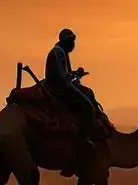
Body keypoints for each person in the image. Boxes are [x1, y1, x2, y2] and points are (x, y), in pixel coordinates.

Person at [43, 29, 110, 166]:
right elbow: (62, 77)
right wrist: (74, 77)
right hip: (60, 88)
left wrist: (76, 74)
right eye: (71, 41)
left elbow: (66, 73)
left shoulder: (62, 52)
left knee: (89, 93)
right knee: (88, 106)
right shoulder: (58, 52)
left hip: (63, 85)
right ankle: (83, 139)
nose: (73, 44)